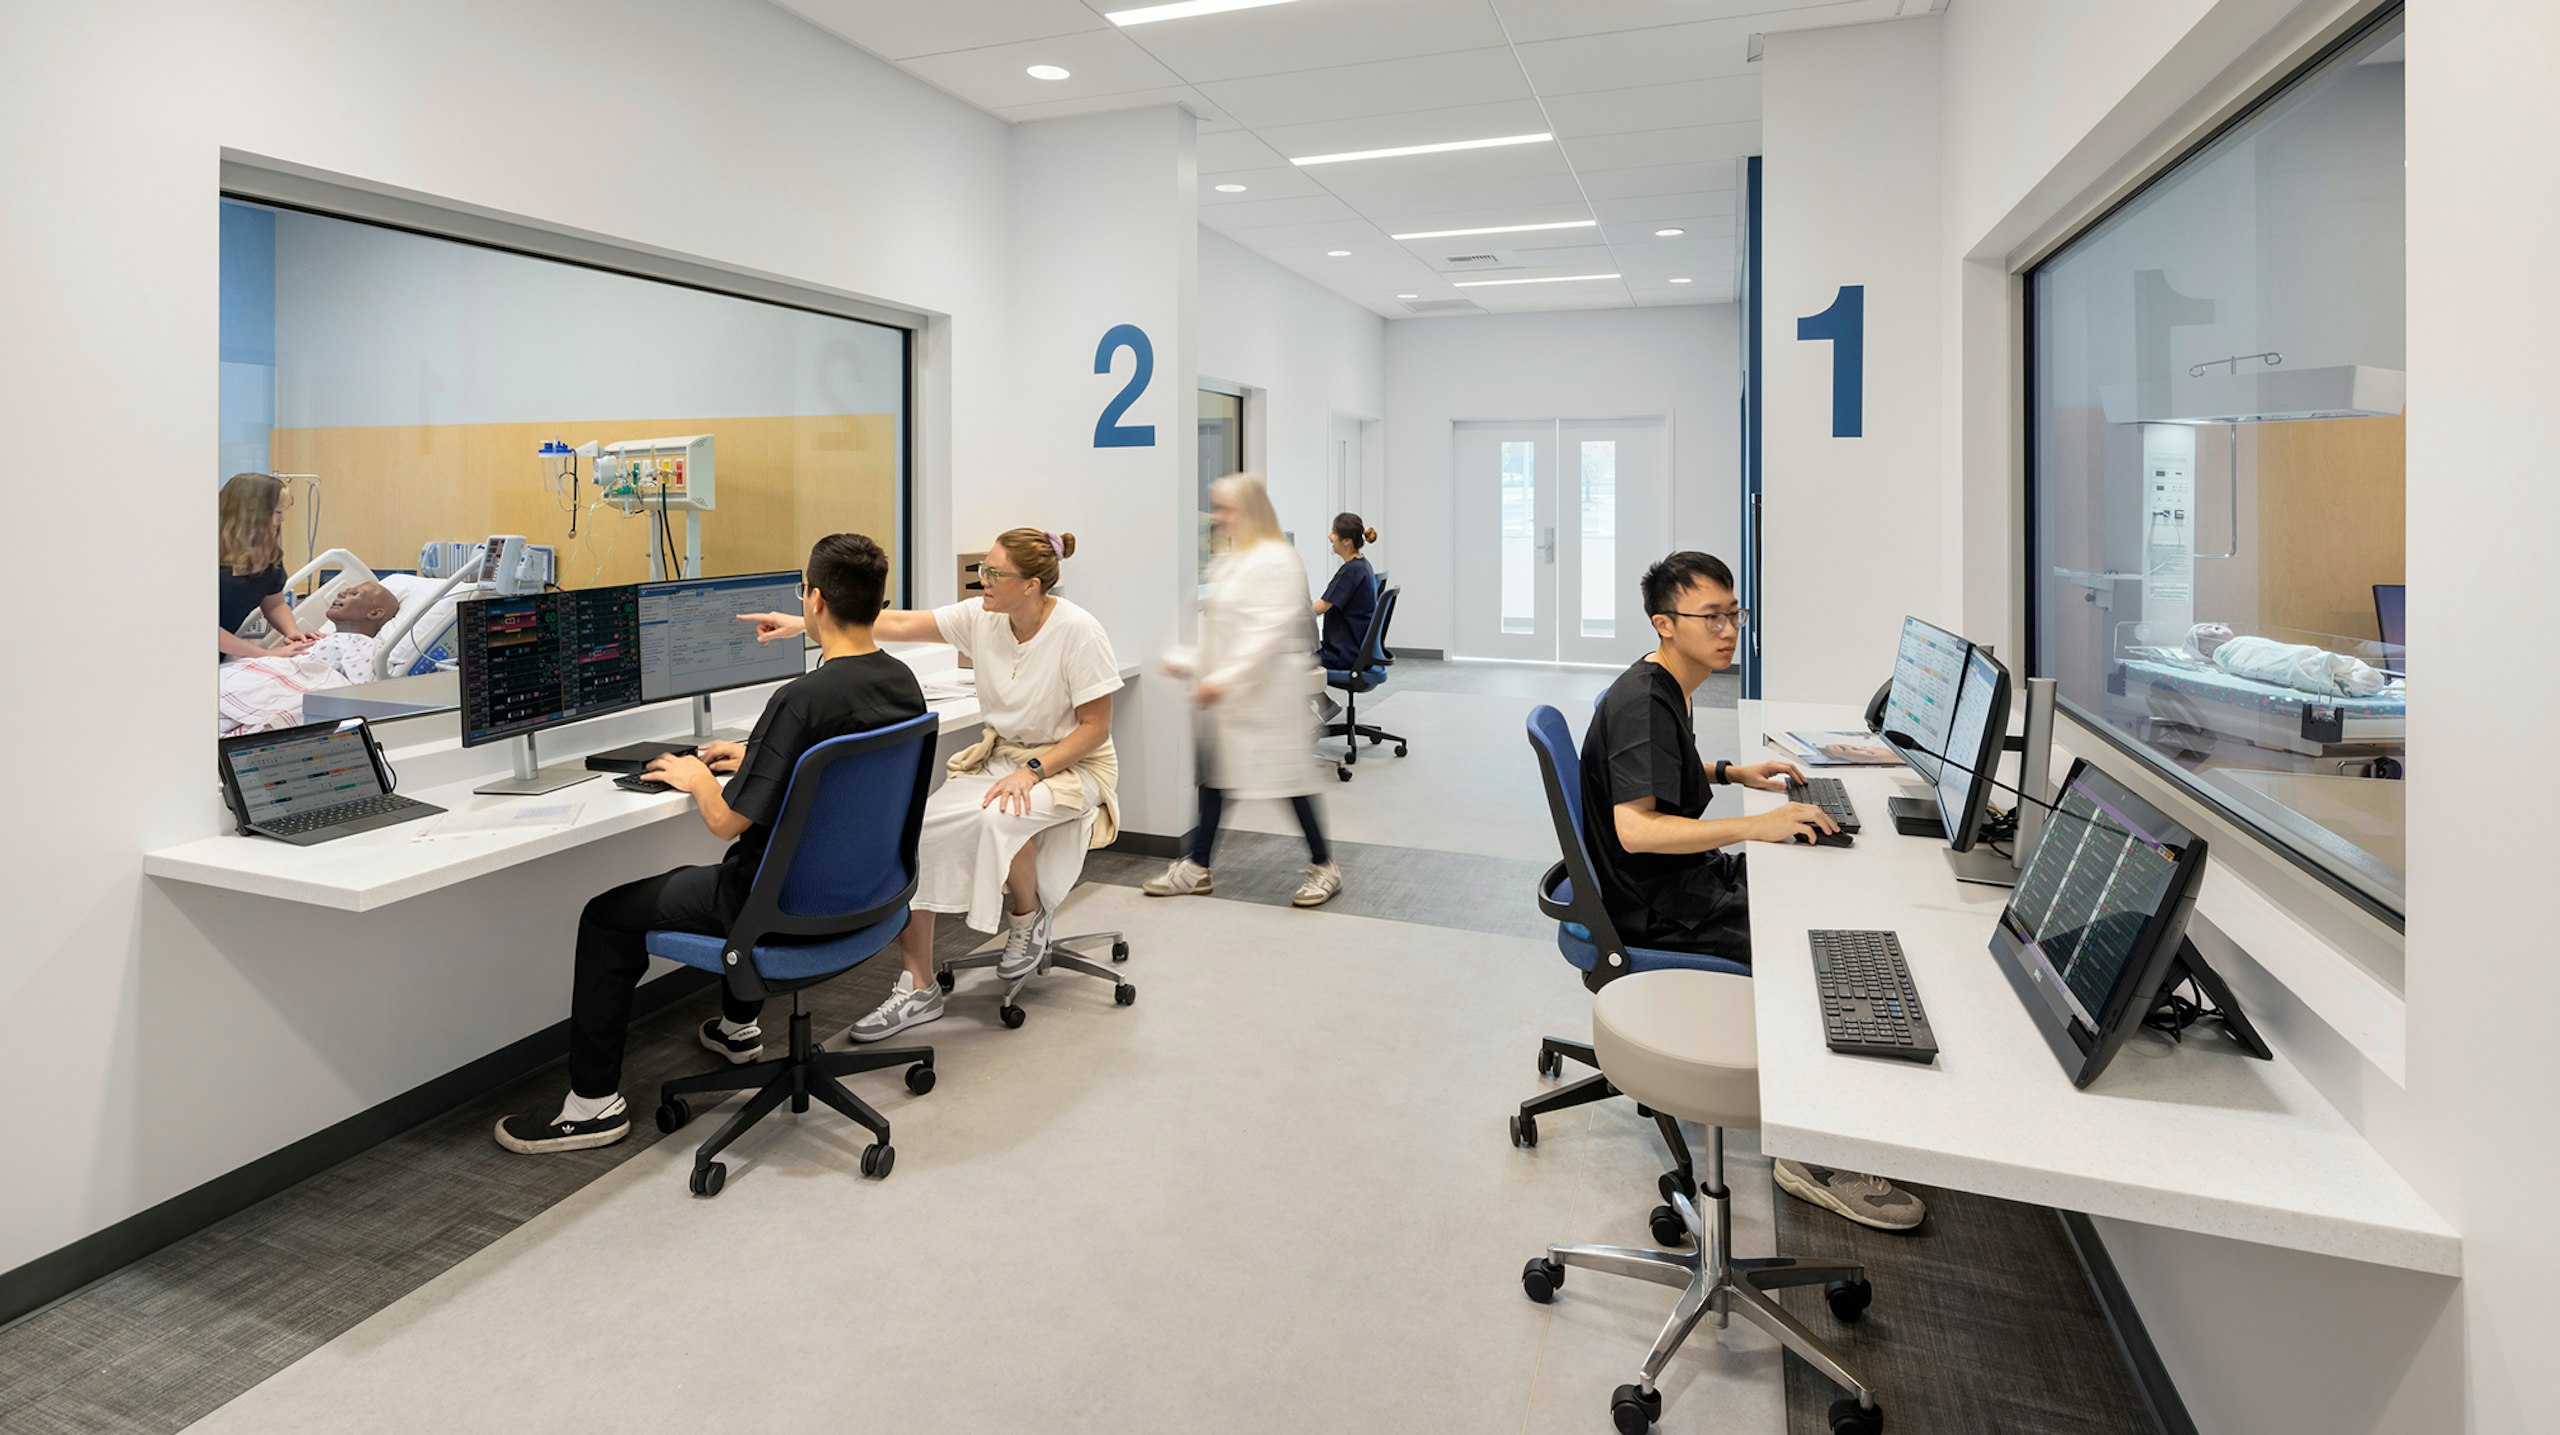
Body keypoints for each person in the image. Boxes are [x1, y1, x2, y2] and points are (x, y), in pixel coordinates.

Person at [496, 533, 924, 1154]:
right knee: (742, 865)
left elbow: (727, 822)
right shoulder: (900, 680)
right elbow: (834, 765)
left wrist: (696, 776)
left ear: (814, 601)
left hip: (780, 906)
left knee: (607, 917)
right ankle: (736, 1029)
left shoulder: (801, 699)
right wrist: (757, 755)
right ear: (877, 600)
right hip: (865, 894)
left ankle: (592, 1107)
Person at [1581, 551, 1926, 1232]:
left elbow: (1663, 768)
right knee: (1809, 948)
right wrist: (1755, 825)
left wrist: (1732, 771)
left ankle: (1836, 1112)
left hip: (1682, 879)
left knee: (1818, 897)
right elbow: (1636, 829)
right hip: (1659, 904)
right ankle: (1810, 1154)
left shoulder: (1666, 683)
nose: (1728, 630)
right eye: (1710, 617)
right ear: (1663, 623)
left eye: (1733, 614)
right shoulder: (1642, 701)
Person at [742, 529, 1122, 1045]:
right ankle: (917, 985)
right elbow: (897, 622)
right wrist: (805, 621)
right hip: (1001, 759)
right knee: (911, 834)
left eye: (994, 573)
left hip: (1072, 766)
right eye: (982, 569)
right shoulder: (982, 618)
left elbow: (1095, 728)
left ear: (1031, 585)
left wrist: (1032, 771)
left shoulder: (1079, 632)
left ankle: (1027, 916)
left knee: (999, 814)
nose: (982, 580)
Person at [1145, 474, 1341, 908]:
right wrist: (1192, 660)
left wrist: (1224, 679)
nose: (1218, 517)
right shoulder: (1233, 559)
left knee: (1291, 783)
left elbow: (1266, 634)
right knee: (1215, 780)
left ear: (1250, 510)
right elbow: (1224, 634)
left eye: (1225, 508)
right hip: (1234, 698)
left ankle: (1324, 866)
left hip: (1269, 695)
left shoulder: (1278, 559)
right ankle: (1197, 867)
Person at [217, 473, 316, 662]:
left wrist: (292, 632)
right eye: (278, 512)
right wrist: (264, 654)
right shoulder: (202, 556)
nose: (282, 519)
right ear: (253, 514)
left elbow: (274, 604)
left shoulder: (267, 556)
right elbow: (199, 625)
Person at [1311, 513, 1378, 724]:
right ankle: (1324, 704)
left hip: (1344, 654)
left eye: (1333, 533)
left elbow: (1320, 607)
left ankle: (1313, 713)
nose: (1330, 537)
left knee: (1289, 661)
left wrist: (1288, 607)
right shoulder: (1362, 566)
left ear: (1347, 541)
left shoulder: (1351, 572)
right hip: (1356, 648)